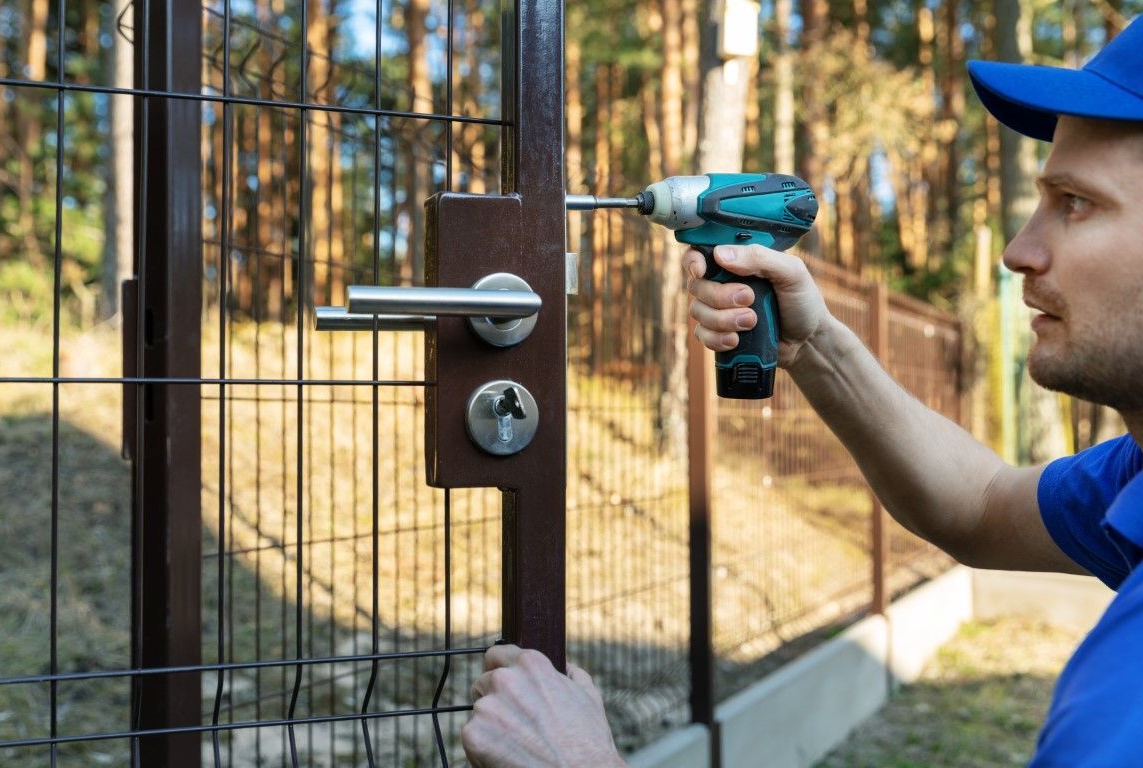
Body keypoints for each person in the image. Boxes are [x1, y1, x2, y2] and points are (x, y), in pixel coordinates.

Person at [462, 16, 1143, 768]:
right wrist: (813, 343)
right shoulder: (1132, 479)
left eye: (1075, 202)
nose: (1020, 250)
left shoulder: (1120, 711)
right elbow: (979, 504)